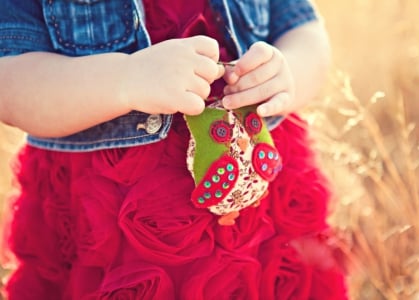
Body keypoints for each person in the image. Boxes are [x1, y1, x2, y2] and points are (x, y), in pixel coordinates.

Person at [0, 0, 348, 299]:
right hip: (109, 220)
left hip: (265, 203)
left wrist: (287, 75)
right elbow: (10, 81)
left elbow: (303, 30)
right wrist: (125, 79)